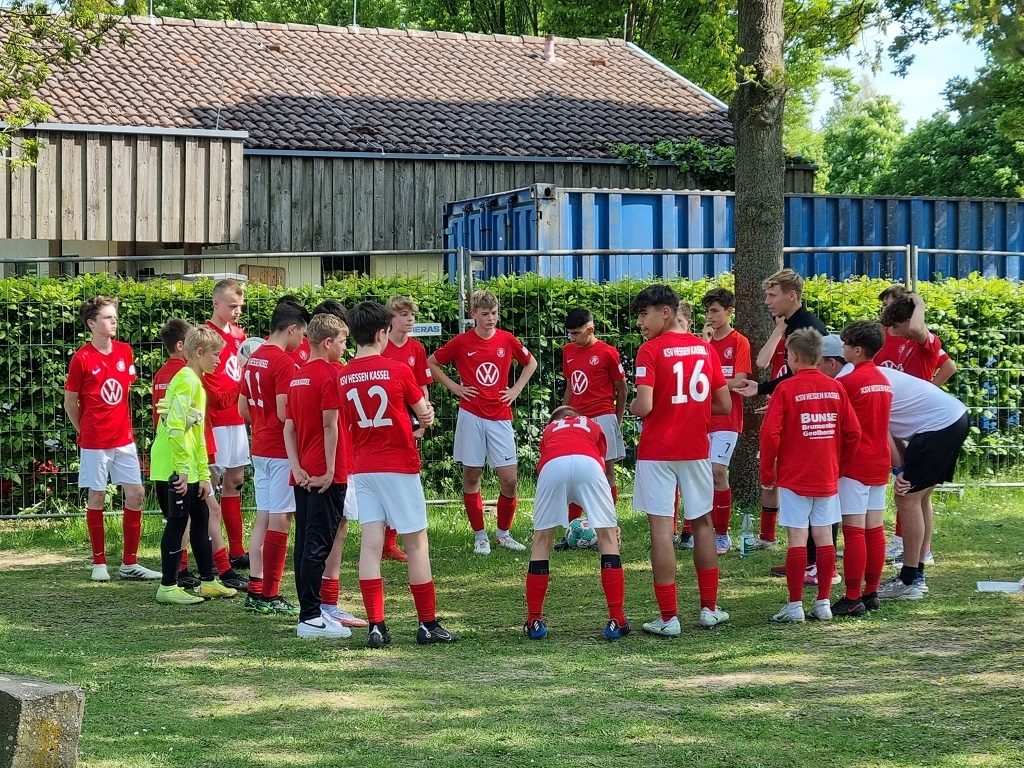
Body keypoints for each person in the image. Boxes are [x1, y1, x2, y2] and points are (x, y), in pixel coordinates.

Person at [340, 301, 459, 648]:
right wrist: (425, 416)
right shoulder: (396, 369)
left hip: (363, 466)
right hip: (397, 464)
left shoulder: (343, 375)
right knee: (416, 543)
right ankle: (427, 623)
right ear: (382, 333)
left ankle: (376, 625)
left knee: (370, 544)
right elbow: (423, 413)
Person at [629, 284, 732, 635]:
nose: (640, 322)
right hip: (696, 448)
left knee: (661, 530)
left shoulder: (650, 350)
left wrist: (631, 407)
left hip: (657, 450)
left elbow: (644, 405)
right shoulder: (705, 349)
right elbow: (724, 405)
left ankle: (668, 617)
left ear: (665, 312)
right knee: (703, 525)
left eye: (644, 314)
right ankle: (709, 609)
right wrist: (691, 411)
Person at [760, 329, 861, 623]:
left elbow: (770, 432)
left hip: (794, 476)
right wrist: (840, 466)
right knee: (824, 536)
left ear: (793, 356)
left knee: (797, 537)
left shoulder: (787, 389)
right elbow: (853, 432)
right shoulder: (835, 387)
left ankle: (794, 605)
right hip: (826, 474)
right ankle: (823, 602)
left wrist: (767, 470)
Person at [428, 289, 538, 554]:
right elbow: (431, 363)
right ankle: (480, 536)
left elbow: (531, 362)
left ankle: (503, 534)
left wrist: (516, 389)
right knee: (472, 474)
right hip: (471, 414)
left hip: (500, 415)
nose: (491, 318)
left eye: (494, 313)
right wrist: (455, 387)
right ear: (473, 314)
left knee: (509, 479)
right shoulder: (462, 342)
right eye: (485, 313)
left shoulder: (507, 339)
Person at [64, 296, 159, 582]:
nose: (114, 321)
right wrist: (86, 431)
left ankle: (130, 563)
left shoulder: (124, 351)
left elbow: (122, 390)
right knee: (97, 496)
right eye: (107, 317)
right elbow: (70, 403)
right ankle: (99, 562)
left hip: (123, 439)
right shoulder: (82, 358)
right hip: (95, 442)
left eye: (114, 316)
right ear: (91, 324)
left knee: (136, 494)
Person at [738, 269, 828, 553]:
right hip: (790, 405)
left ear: (792, 295)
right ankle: (781, 542)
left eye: (772, 295)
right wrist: (768, 391)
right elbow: (782, 371)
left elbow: (810, 375)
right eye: (766, 295)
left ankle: (812, 554)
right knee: (778, 472)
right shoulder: (785, 325)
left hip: (806, 416)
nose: (767, 301)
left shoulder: (808, 327)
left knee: (800, 485)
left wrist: (781, 397)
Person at [150, 327, 237, 605]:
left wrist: (202, 475)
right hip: (173, 466)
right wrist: (182, 469)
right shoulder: (187, 381)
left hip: (186, 466)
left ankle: (208, 582)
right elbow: (176, 428)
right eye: (216, 354)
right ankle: (167, 586)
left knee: (201, 517)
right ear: (199, 353)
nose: (219, 360)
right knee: (177, 523)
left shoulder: (195, 382)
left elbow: (196, 434)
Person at [525, 405, 629, 641]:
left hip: (553, 466)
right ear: (577, 417)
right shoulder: (592, 425)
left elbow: (548, 459)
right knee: (607, 540)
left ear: (556, 421)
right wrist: (611, 524)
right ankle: (616, 619)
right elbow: (602, 465)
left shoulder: (549, 430)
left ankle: (534, 620)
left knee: (541, 541)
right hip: (589, 464)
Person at [284, 313, 353, 639]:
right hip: (326, 475)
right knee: (317, 544)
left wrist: (296, 466)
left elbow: (289, 427)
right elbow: (329, 426)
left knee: (304, 543)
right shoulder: (329, 375)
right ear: (327, 343)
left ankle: (309, 613)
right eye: (342, 342)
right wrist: (329, 471)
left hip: (302, 473)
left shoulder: (297, 376)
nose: (344, 348)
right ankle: (311, 617)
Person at [239, 298, 309, 616]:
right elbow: (284, 412)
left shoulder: (254, 357)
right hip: (280, 450)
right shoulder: (283, 362)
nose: (302, 341)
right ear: (292, 329)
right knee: (281, 518)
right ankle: (270, 594)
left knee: (264, 517)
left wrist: (262, 419)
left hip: (260, 447)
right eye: (302, 334)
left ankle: (256, 589)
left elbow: (243, 408)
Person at [817, 327, 894, 616]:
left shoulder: (848, 381)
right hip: (879, 461)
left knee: (854, 532)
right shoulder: (883, 380)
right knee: (875, 529)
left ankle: (852, 597)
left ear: (857, 350)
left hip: (855, 463)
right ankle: (871, 592)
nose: (843, 349)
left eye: (847, 344)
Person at [877, 288, 956, 565]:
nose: (886, 313)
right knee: (913, 493)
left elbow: (949, 366)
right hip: (897, 417)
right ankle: (913, 548)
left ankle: (913, 553)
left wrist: (929, 390)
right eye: (884, 307)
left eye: (892, 307)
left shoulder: (923, 339)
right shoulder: (884, 335)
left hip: (918, 421)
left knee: (910, 491)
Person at [876, 365, 969, 600]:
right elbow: (892, 428)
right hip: (952, 418)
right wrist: (901, 467)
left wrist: (899, 469)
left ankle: (908, 580)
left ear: (832, 362)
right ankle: (916, 574)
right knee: (920, 497)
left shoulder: (851, 380)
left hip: (939, 425)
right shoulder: (867, 373)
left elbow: (881, 429)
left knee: (907, 499)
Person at [377, 294, 435, 562]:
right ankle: (379, 541)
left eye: (412, 314)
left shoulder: (417, 349)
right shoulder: (380, 345)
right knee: (382, 481)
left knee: (402, 480)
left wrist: (422, 422)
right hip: (381, 423)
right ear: (391, 319)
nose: (410, 319)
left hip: (407, 423)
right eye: (404, 314)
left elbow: (422, 388)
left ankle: (390, 543)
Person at [559, 308, 627, 522]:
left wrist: (616, 419)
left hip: (603, 417)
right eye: (569, 333)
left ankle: (607, 523)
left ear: (590, 330)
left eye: (576, 333)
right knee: (575, 472)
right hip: (577, 420)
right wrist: (562, 414)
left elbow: (622, 389)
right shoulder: (568, 351)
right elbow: (571, 386)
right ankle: (573, 526)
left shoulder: (608, 353)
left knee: (606, 471)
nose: (572, 338)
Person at [700, 288, 752, 555]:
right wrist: (705, 345)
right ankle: (700, 530)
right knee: (700, 474)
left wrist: (713, 383)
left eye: (715, 311)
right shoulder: (702, 343)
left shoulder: (739, 342)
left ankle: (722, 534)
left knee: (718, 471)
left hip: (728, 418)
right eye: (707, 311)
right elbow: (695, 376)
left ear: (729, 312)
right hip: (701, 417)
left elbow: (740, 381)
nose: (710, 317)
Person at [204, 279, 250, 571]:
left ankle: (236, 550)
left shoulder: (240, 335)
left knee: (235, 481)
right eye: (232, 306)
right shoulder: (205, 335)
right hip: (215, 419)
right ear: (216, 304)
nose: (237, 311)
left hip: (236, 418)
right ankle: (211, 550)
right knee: (209, 484)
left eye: (240, 306)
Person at [877, 287, 957, 386]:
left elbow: (949, 367)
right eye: (884, 305)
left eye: (891, 305)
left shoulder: (923, 339)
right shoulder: (882, 334)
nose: (886, 309)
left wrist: (920, 304)